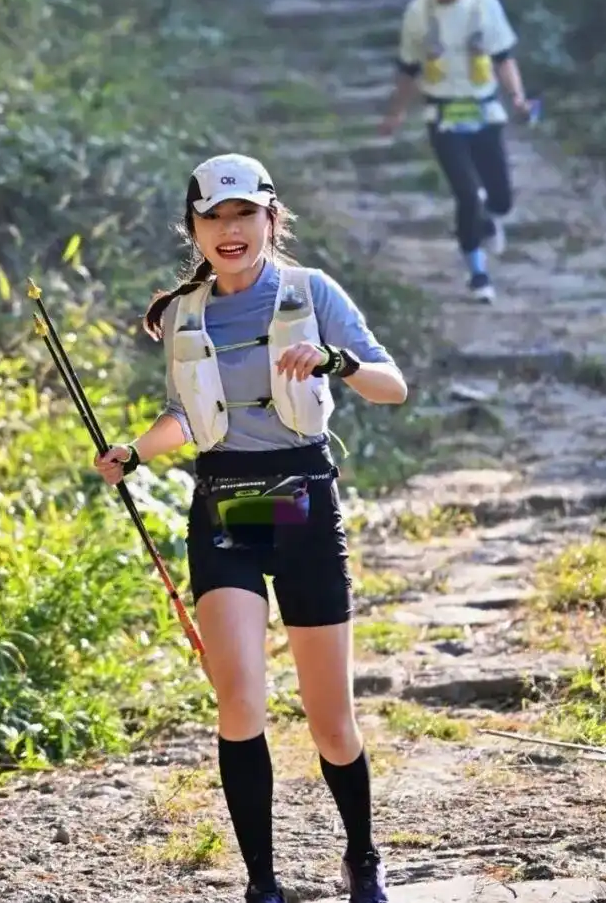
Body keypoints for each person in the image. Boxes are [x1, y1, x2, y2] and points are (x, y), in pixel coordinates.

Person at [94, 152, 408, 903]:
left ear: (271, 217)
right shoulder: (181, 315)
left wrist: (335, 360)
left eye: (244, 215)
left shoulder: (311, 292)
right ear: (194, 228)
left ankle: (362, 857)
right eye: (214, 217)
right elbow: (187, 415)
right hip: (226, 506)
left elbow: (392, 386)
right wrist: (134, 451)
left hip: (303, 498)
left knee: (332, 721)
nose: (230, 230)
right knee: (239, 700)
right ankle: (262, 883)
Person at [380, 0, 530, 304]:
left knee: (501, 197)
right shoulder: (419, 13)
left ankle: (489, 219)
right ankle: (477, 272)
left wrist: (517, 98)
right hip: (443, 115)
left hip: (484, 111)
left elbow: (503, 58)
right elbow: (408, 69)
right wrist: (396, 112)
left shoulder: (485, 7)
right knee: (467, 193)